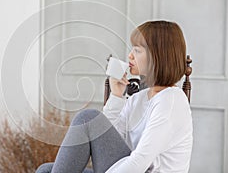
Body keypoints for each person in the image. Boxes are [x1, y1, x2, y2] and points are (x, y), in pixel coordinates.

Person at [36, 20, 193, 173]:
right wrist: (117, 96)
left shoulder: (171, 101)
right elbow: (107, 143)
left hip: (139, 169)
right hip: (129, 167)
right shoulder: (139, 98)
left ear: (158, 56)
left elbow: (140, 161)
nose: (130, 55)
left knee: (88, 118)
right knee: (45, 170)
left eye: (137, 50)